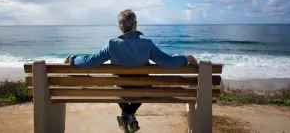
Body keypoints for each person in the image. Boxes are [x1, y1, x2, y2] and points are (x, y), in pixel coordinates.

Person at [64, 9, 198, 133]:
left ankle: (126, 114)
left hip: (120, 91)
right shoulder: (147, 43)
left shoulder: (111, 44)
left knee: (117, 86)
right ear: (135, 24)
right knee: (145, 86)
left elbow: (90, 62)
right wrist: (185, 58)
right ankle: (130, 114)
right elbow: (169, 63)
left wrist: (72, 58)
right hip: (142, 91)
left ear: (119, 27)